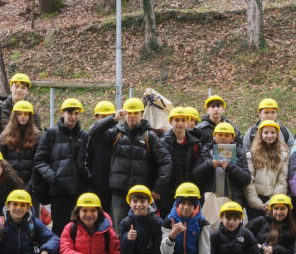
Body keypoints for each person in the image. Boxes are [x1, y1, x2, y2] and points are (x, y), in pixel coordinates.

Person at [89, 97, 171, 227]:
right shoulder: (116, 134)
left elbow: (165, 161)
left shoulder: (149, 136)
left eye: (135, 113)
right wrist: (113, 119)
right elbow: (94, 132)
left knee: (142, 230)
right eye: (129, 113)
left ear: (142, 114)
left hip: (141, 194)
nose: (131, 116)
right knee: (118, 229)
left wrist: (158, 189)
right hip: (119, 192)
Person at [34, 98, 91, 237]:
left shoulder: (84, 135)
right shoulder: (51, 134)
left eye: (76, 113)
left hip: (78, 191)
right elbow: (39, 161)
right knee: (59, 231)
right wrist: (53, 178)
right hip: (58, 192)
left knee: (79, 231)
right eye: (70, 113)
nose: (73, 117)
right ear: (63, 113)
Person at [159, 107, 213, 216]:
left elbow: (200, 168)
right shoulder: (162, 142)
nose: (180, 124)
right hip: (168, 192)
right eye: (177, 120)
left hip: (190, 191)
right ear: (170, 122)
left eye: (183, 120)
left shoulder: (196, 143)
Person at [243, 120, 290, 216]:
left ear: (277, 135)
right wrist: (257, 203)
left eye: (273, 132)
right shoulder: (251, 155)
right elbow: (248, 181)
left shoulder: (284, 155)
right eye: (266, 132)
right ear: (260, 134)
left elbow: (283, 180)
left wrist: (271, 202)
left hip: (274, 202)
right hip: (254, 201)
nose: (269, 135)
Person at [203, 122, 251, 209]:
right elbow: (195, 175)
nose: (223, 137)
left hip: (232, 201)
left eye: (227, 135)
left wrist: (231, 167)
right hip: (210, 201)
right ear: (214, 136)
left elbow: (246, 180)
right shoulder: (206, 151)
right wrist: (209, 165)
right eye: (220, 134)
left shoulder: (239, 154)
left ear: (232, 138)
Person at [0, 100, 41, 188]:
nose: (23, 116)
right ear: (14, 116)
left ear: (30, 117)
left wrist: (30, 186)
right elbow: (1, 162)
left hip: (31, 185)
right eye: (19, 114)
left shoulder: (37, 137)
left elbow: (38, 164)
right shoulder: (4, 136)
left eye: (26, 114)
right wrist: (11, 182)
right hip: (9, 184)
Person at [88, 100, 117, 210]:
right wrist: (90, 180)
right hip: (96, 187)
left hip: (114, 188)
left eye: (109, 117)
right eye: (103, 117)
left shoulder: (119, 135)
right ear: (96, 117)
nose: (106, 121)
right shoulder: (90, 137)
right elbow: (85, 160)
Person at [0, 73, 32, 137]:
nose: (19, 90)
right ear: (11, 88)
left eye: (23, 88)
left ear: (27, 91)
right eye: (16, 86)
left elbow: (37, 137)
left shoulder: (32, 112)